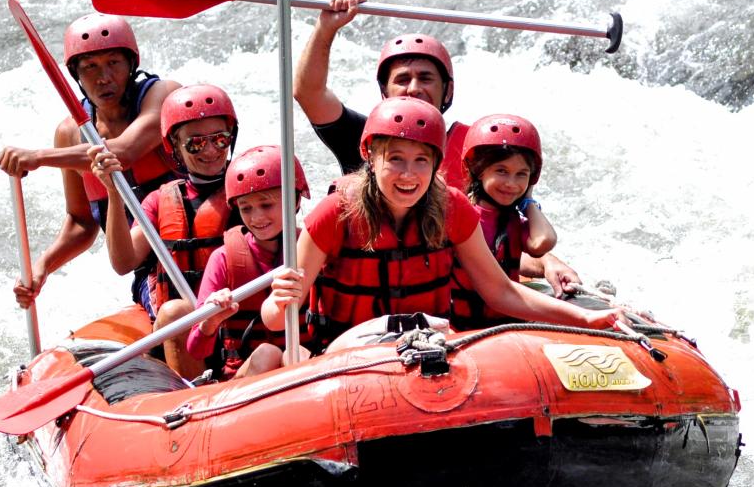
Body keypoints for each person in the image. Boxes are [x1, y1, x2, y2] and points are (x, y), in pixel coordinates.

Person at [261, 97, 620, 345]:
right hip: (350, 349)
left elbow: (501, 291)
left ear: (436, 162)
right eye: (396, 159)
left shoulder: (452, 208)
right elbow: (276, 320)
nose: (409, 174)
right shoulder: (333, 214)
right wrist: (279, 302)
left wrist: (585, 320)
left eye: (421, 160)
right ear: (370, 157)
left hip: (427, 341)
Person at [292, 0, 580, 297]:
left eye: (426, 78)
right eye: (402, 79)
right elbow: (308, 92)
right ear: (384, 91)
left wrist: (546, 261)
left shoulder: (479, 152)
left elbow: (491, 242)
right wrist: (326, 29)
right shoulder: (366, 137)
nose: (414, 88)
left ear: (447, 91)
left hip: (452, 295)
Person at [0, 13, 180, 309]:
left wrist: (39, 157)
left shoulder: (164, 96)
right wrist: (42, 267)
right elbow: (82, 222)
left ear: (131, 64)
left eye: (113, 63)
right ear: (76, 76)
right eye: (90, 67)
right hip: (146, 265)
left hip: (196, 240)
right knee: (165, 302)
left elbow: (125, 152)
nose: (104, 77)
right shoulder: (70, 134)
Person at [90, 84, 238, 379]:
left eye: (220, 140)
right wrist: (113, 193)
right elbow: (123, 262)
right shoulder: (160, 200)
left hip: (239, 315)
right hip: (188, 324)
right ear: (175, 148)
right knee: (174, 312)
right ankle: (198, 399)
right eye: (195, 144)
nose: (210, 150)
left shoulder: (254, 187)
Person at [187, 146, 315, 379]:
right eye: (246, 208)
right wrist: (210, 321)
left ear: (295, 200)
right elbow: (196, 349)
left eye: (266, 205)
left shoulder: (311, 248)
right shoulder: (223, 259)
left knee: (295, 354)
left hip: (303, 363)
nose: (257, 218)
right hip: (243, 379)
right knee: (267, 353)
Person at [450, 114, 559, 330]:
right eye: (501, 171)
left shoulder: (515, 221)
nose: (511, 183)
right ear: (478, 170)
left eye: (522, 174)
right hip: (460, 328)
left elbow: (542, 242)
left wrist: (528, 200)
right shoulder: (461, 215)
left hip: (508, 327)